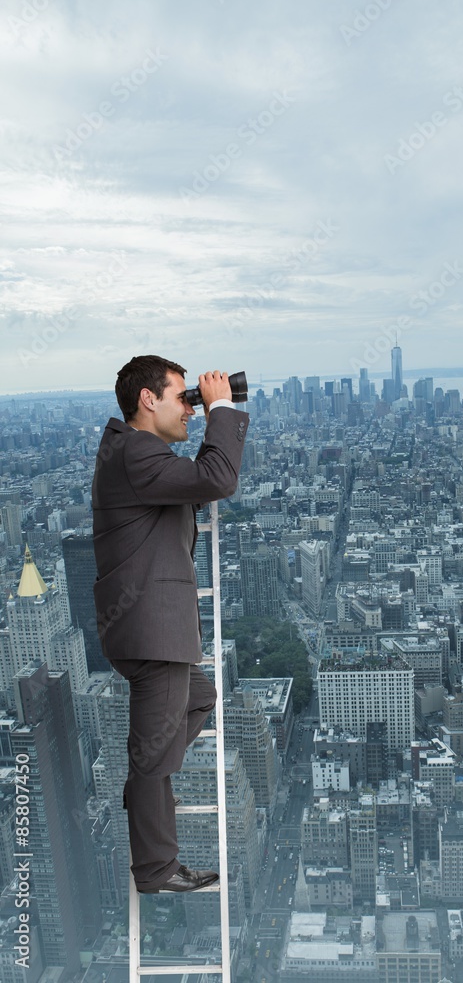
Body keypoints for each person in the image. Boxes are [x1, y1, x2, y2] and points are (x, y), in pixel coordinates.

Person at [92, 355, 249, 893]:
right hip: (152, 630)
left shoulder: (132, 451)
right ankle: (156, 868)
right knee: (154, 754)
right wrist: (221, 406)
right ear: (147, 400)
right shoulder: (136, 451)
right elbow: (217, 478)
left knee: (199, 698)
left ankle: (147, 784)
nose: (189, 406)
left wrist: (208, 409)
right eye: (182, 396)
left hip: (151, 628)